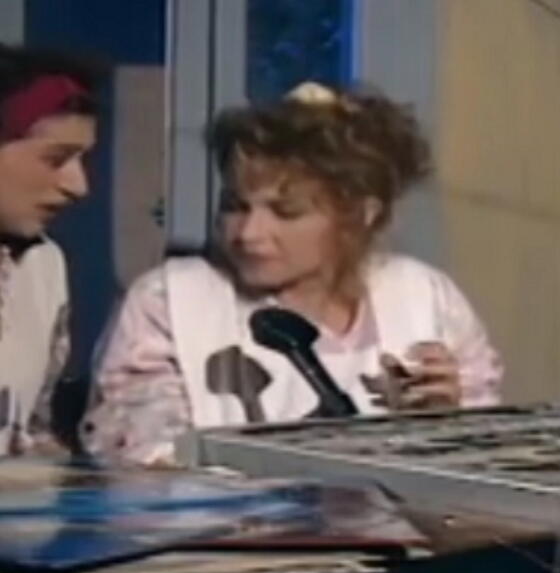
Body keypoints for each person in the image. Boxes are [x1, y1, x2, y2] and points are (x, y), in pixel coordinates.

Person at [83, 82, 502, 466]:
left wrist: (446, 429)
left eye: (286, 212)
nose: (248, 234)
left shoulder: (429, 300)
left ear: (361, 214)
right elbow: (141, 458)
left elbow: (487, 462)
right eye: (235, 206)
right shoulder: (169, 301)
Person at [0, 44, 100, 457]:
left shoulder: (43, 266)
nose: (79, 186)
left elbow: (30, 433)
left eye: (81, 160)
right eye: (55, 159)